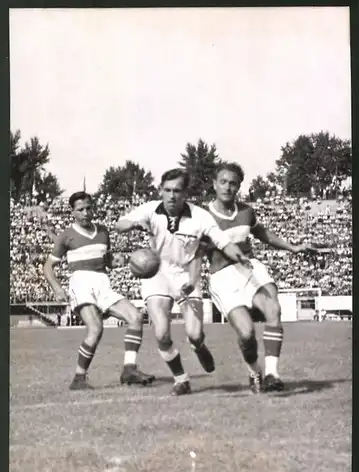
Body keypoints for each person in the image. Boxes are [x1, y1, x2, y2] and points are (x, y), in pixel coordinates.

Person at [115, 168, 250, 396]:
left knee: (194, 334)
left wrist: (240, 255)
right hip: (156, 274)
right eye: (167, 190)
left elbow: (223, 242)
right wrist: (132, 225)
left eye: (177, 191)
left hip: (187, 276)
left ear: (185, 193)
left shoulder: (200, 217)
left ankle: (199, 346)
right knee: (161, 334)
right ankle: (181, 379)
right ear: (160, 190)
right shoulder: (149, 209)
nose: (171, 196)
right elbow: (121, 223)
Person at [194, 163, 318, 393]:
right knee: (247, 334)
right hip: (222, 278)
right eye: (223, 182)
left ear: (239, 186)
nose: (227, 187)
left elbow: (263, 234)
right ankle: (255, 371)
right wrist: (192, 285)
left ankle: (272, 374)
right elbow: (198, 255)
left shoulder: (246, 212)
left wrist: (293, 247)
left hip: (248, 269)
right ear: (214, 184)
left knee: (273, 308)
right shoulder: (203, 218)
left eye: (233, 183)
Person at [43, 191, 155, 390]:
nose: (86, 213)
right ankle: (79, 378)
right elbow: (47, 267)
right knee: (95, 328)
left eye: (88, 208)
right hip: (81, 283)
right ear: (73, 212)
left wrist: (120, 261)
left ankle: (129, 370)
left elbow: (107, 260)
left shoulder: (103, 232)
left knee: (136, 317)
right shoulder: (66, 236)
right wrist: (57, 288)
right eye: (80, 210)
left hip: (103, 283)